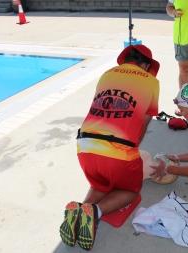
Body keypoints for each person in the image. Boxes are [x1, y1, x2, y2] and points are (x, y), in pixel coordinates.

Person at [59, 44, 160, 251]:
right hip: (119, 151)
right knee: (130, 190)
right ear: (145, 65)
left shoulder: (106, 74)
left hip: (84, 147)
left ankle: (79, 213)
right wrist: (134, 148)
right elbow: (146, 120)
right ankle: (95, 211)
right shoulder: (151, 81)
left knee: (100, 184)